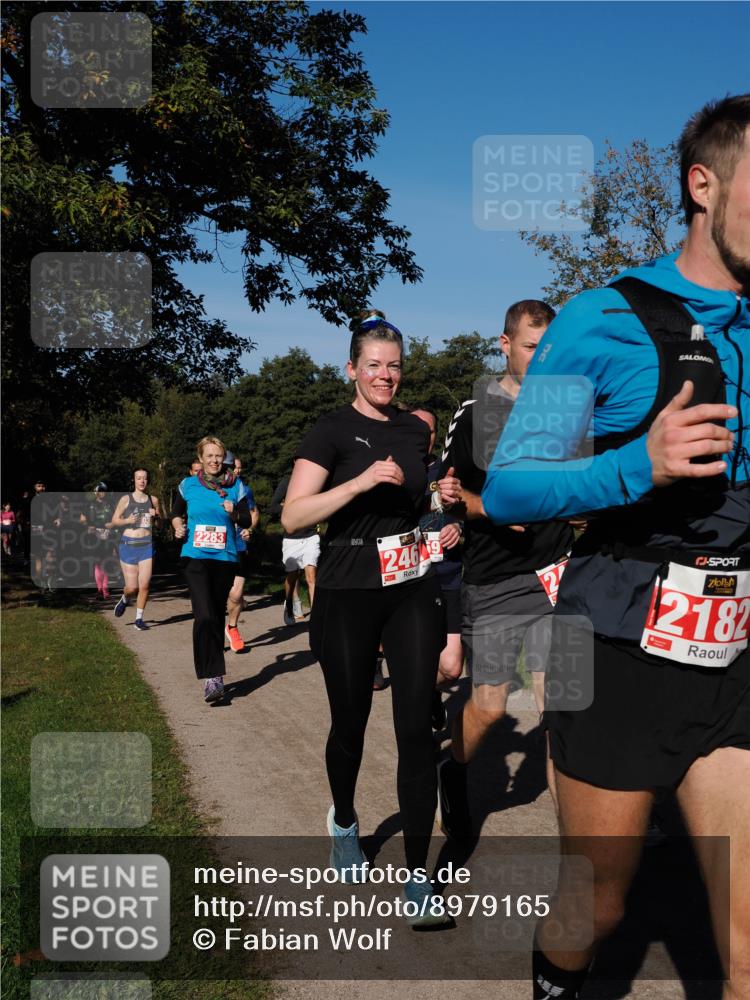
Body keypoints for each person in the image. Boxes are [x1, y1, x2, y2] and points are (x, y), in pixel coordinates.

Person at [480, 95, 750, 1000]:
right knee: (595, 903)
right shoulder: (602, 319)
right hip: (618, 651)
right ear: (703, 185)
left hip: (735, 653)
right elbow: (512, 486)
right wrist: (639, 465)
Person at [282, 313, 450, 926]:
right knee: (350, 723)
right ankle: (345, 822)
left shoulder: (415, 430)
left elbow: (418, 505)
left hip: (410, 584)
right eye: (374, 365)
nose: (385, 375)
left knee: (416, 727)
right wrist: (356, 483)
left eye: (394, 365)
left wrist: (442, 513)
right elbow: (294, 516)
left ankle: (418, 879)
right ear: (352, 369)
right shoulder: (331, 430)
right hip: (347, 587)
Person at [436, 301, 572, 835]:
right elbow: (447, 496)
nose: (543, 358)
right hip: (494, 581)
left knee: (560, 708)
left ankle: (577, 836)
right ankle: (454, 767)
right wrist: (485, 507)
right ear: (506, 344)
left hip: (556, 573)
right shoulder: (476, 413)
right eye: (533, 347)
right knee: (491, 706)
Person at [172, 437, 252, 702]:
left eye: (218, 456)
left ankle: (215, 677)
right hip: (195, 556)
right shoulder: (188, 485)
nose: (215, 460)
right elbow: (176, 513)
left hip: (224, 558)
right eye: (209, 456)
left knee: (216, 614)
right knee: (204, 615)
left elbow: (247, 519)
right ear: (201, 458)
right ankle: (212, 676)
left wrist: (234, 513)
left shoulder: (236, 485)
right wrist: (177, 527)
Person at [411, 407, 464, 729]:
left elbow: (472, 510)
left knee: (452, 667)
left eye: (428, 430)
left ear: (436, 435)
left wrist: (459, 527)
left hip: (447, 577)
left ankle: (428, 691)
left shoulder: (449, 469)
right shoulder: (391, 469)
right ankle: (418, 739)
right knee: (415, 659)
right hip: (408, 582)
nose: (422, 435)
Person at [111, 469, 161, 630]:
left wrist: (156, 517)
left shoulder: (153, 500)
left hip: (146, 546)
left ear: (148, 480)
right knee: (132, 587)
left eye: (144, 478)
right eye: (139, 478)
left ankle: (139, 619)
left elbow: (160, 525)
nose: (142, 481)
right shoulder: (126, 499)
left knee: (144, 585)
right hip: (129, 545)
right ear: (134, 480)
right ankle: (125, 599)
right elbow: (114, 520)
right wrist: (128, 520)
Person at [269, 472, 320, 626]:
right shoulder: (287, 482)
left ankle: (316, 618)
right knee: (292, 575)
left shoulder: (316, 480)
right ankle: (289, 604)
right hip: (291, 538)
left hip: (311, 535)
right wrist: (291, 507)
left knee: (311, 576)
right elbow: (273, 507)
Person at [224, 452, 259, 654]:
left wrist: (249, 529)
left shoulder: (244, 490)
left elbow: (254, 513)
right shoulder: (209, 489)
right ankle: (214, 631)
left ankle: (232, 627)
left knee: (236, 594)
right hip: (217, 545)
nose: (235, 470)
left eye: (237, 467)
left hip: (238, 544)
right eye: (232, 467)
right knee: (218, 592)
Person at [85, 482, 115, 599]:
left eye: (104, 491)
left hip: (108, 535)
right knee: (97, 562)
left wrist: (112, 524)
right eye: (100, 491)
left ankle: (105, 588)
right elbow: (82, 519)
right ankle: (99, 589)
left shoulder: (110, 505)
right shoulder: (90, 505)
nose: (102, 493)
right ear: (95, 492)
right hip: (95, 536)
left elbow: (116, 518)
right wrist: (88, 526)